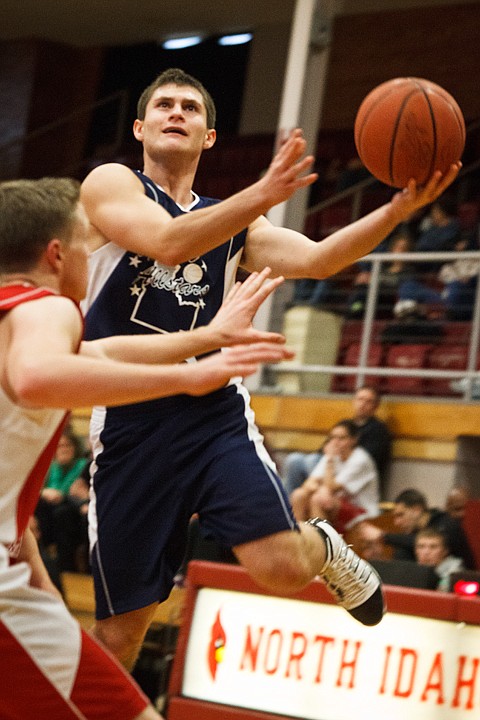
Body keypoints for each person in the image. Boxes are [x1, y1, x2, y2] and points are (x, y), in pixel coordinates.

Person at [79, 67, 459, 670]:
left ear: (208, 136)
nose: (176, 112)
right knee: (119, 638)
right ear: (140, 125)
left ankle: (325, 547)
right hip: (128, 424)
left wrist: (396, 210)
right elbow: (170, 242)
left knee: (281, 567)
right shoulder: (111, 184)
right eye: (164, 105)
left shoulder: (235, 225)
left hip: (212, 415)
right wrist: (261, 192)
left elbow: (319, 258)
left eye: (191, 108)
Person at [0, 176, 294, 719]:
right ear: (56, 253)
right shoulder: (48, 308)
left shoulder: (17, 317)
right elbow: (36, 376)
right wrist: (188, 380)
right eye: (87, 242)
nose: (96, 252)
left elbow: (102, 354)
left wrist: (207, 340)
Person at [283, 384, 392, 496]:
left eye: (368, 401)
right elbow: (326, 447)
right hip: (332, 460)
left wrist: (332, 455)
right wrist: (328, 452)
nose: (363, 404)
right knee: (294, 460)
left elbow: (365, 459)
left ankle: (316, 498)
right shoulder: (345, 424)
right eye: (360, 399)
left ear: (376, 406)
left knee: (313, 461)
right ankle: (287, 504)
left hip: (351, 472)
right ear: (354, 401)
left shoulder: (379, 430)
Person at [289, 419, 380, 529]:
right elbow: (307, 484)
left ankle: (322, 542)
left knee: (318, 500)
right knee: (299, 495)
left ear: (354, 440)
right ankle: (298, 537)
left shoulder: (360, 460)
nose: (335, 443)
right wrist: (320, 488)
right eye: (333, 438)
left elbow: (331, 487)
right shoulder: (332, 455)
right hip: (335, 503)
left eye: (341, 438)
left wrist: (330, 462)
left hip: (362, 511)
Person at [34, 424, 89, 572]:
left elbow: (80, 494)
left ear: (75, 447)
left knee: (62, 512)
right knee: (39, 505)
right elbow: (38, 490)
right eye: (59, 446)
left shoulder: (83, 466)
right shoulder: (51, 467)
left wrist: (62, 496)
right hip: (51, 512)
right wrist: (45, 492)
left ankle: (65, 567)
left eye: (67, 445)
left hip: (75, 511)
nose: (63, 449)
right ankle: (42, 558)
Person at [381, 488, 475, 570]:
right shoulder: (414, 530)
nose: (397, 522)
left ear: (416, 510)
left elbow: (414, 540)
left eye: (401, 515)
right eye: (421, 547)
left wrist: (383, 536)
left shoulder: (447, 524)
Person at [414, 527, 464, 592]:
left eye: (433, 547)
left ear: (445, 551)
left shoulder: (455, 571)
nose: (426, 552)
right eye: (421, 546)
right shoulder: (412, 569)